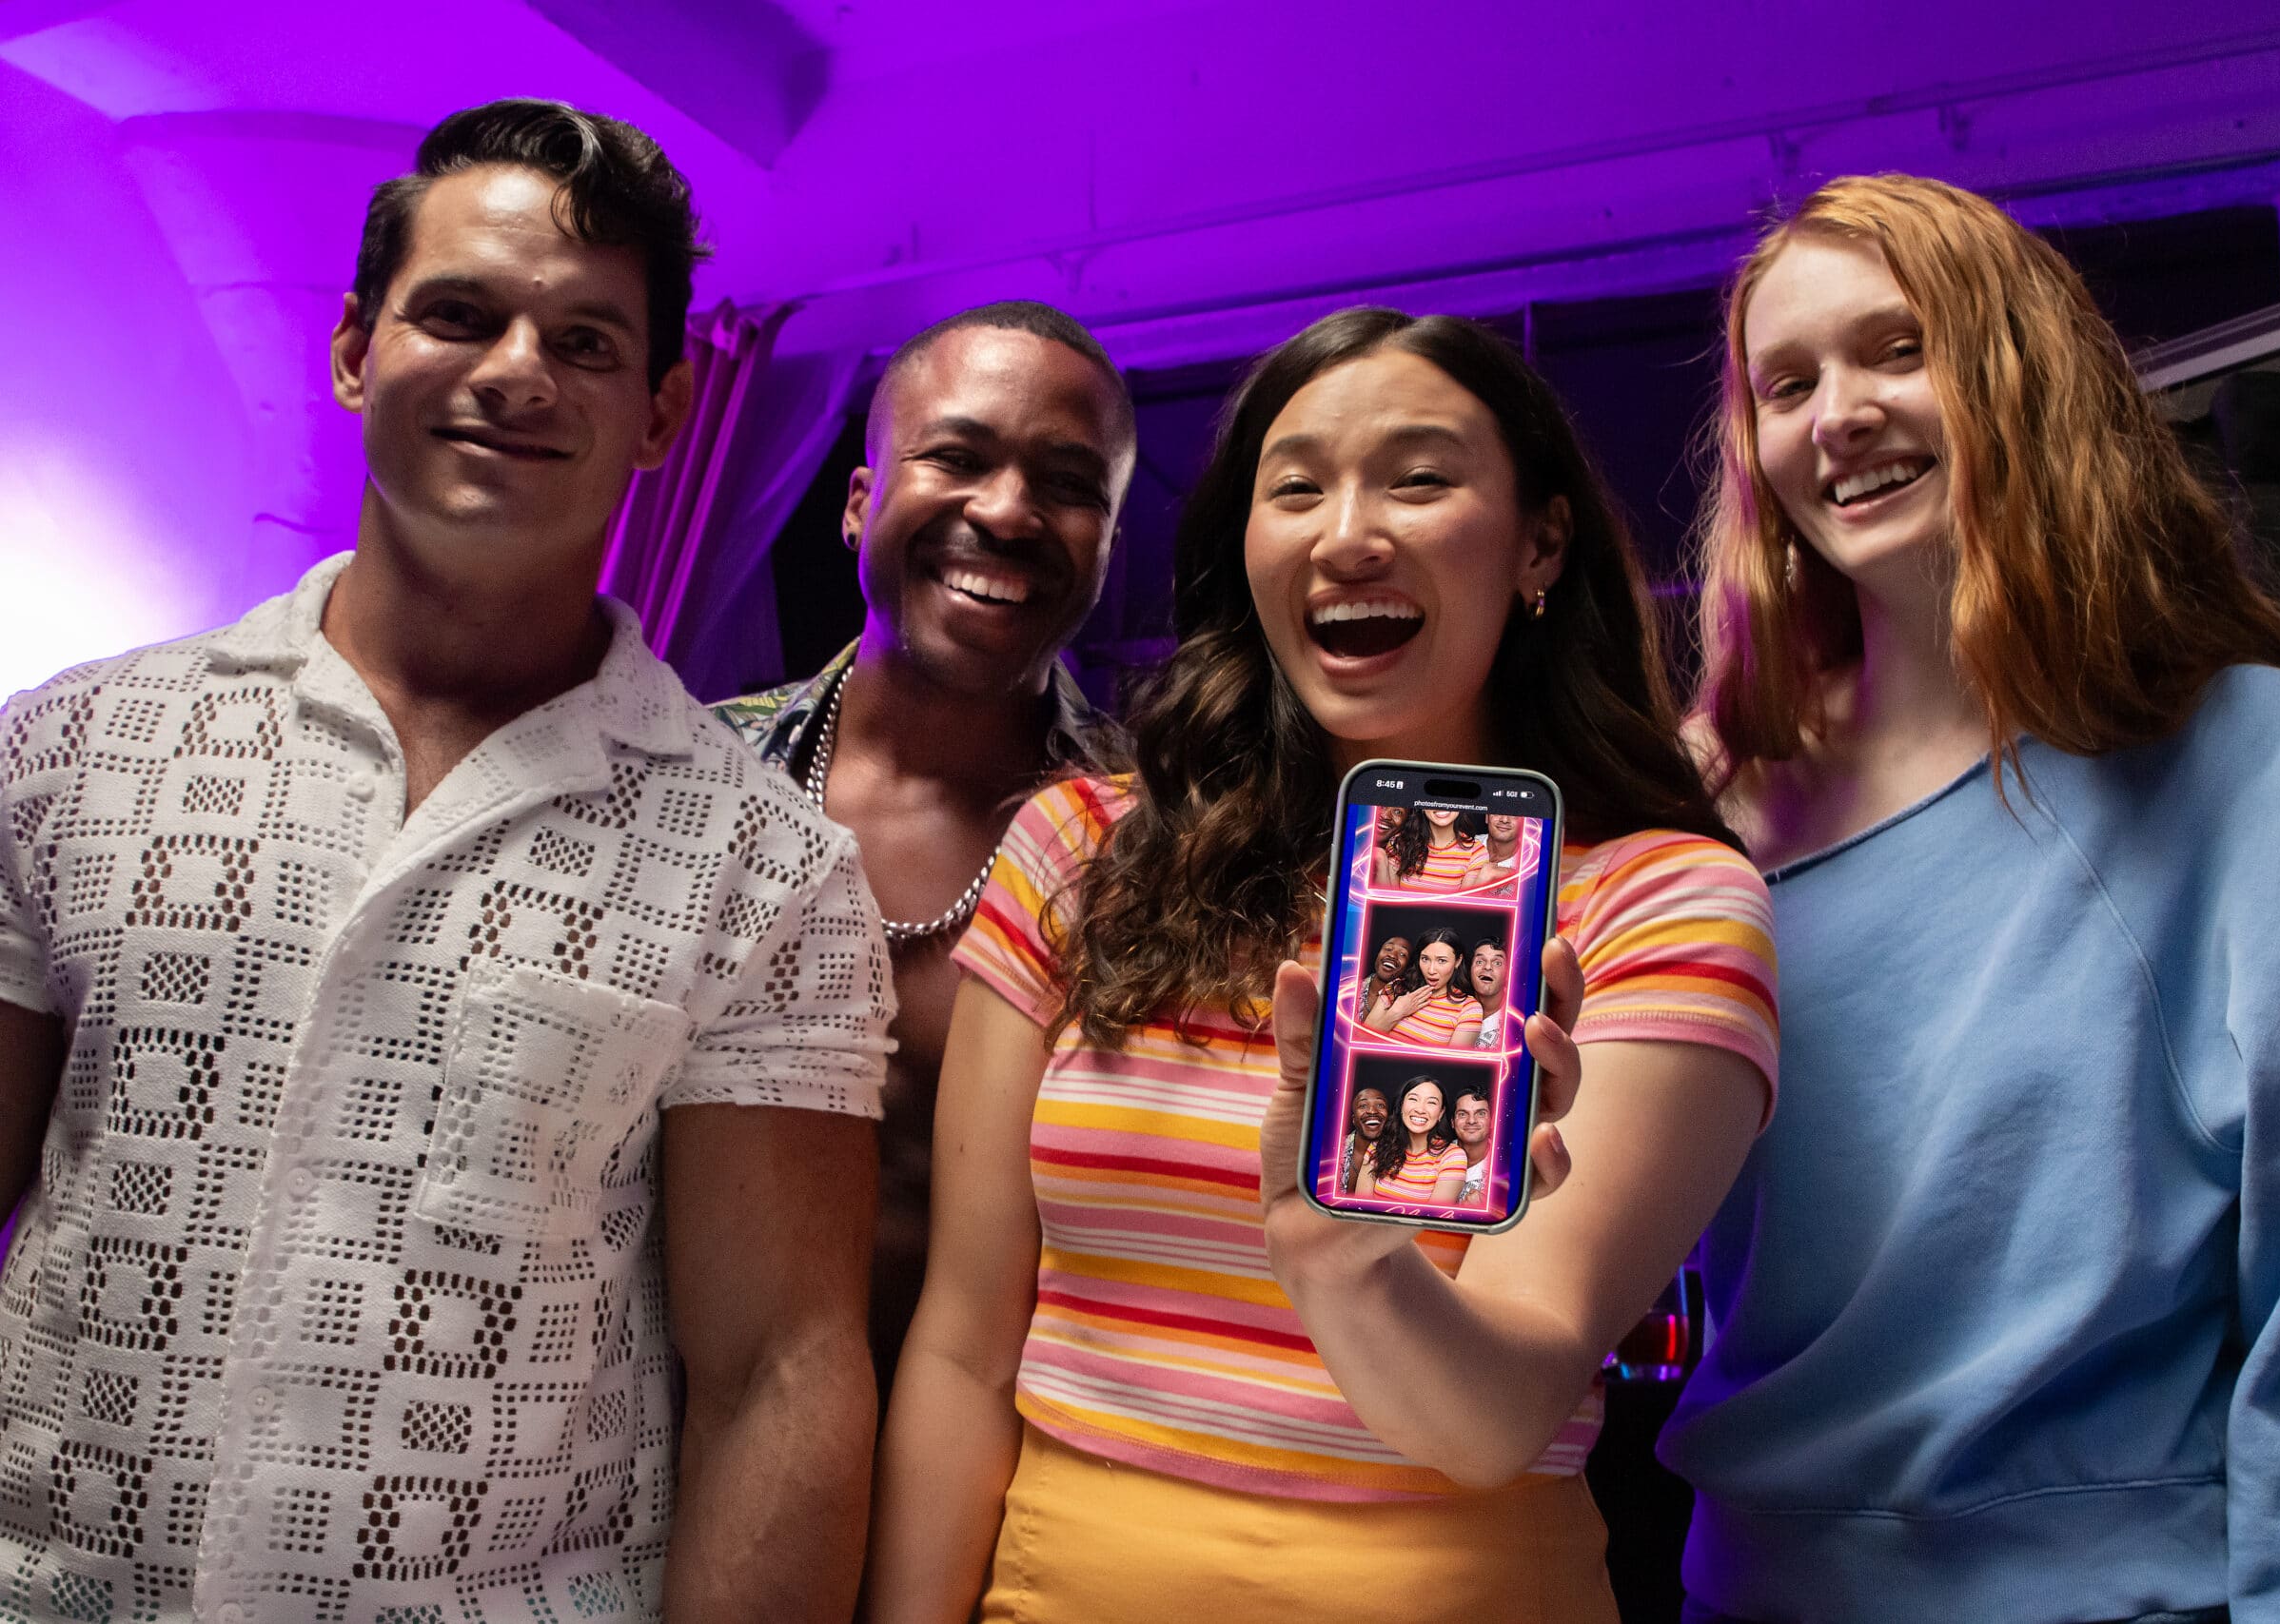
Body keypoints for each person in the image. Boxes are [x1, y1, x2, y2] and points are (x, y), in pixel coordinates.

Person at [0, 100, 895, 1621]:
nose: (515, 373)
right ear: (356, 350)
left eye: (587, 342)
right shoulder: (71, 751)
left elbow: (778, 1373)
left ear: (666, 414)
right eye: (460, 314)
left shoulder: (768, 867)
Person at [868, 307, 1779, 1622]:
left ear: (1540, 541)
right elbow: (961, 1350)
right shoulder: (1076, 845)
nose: (1350, 532)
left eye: (1419, 477)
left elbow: (1490, 1415)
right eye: (1295, 488)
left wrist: (1343, 1256)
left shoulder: (1658, 901)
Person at [1666, 172, 2280, 1624]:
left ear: (2020, 368)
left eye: (1901, 348)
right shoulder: (1711, 806)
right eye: (1788, 381)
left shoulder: (2242, 750)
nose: (1839, 412)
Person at [713, 301, 1133, 1393]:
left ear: (1106, 545)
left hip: (1001, 1486)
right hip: (672, 1463)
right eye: (956, 456)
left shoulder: (1156, 854)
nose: (1006, 510)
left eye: (1068, 483)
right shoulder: (694, 779)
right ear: (860, 504)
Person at [1364, 925, 1483, 1046]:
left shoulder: (1469, 1008)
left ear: (1458, 961)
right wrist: (1396, 1012)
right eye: (1425, 959)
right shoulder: (1397, 987)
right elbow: (1362, 1039)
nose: (1431, 970)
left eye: (1441, 961)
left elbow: (1451, 1063)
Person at [1356, 1075, 1467, 1201]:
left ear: (1440, 1113)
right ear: (1402, 1105)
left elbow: (1432, 1218)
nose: (1420, 1109)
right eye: (1413, 1099)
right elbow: (1360, 1208)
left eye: (1431, 1102)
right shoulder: (1378, 1147)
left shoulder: (1452, 1156)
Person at [1373, 803, 1490, 890]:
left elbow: (1464, 910)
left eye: (1451, 797)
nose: (1442, 804)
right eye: (1435, 796)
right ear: (1423, 806)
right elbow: (1388, 902)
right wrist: (1381, 859)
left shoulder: (1476, 852)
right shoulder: (1400, 842)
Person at [1339, 1083, 1393, 1188]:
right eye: (1363, 1106)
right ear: (1354, 1119)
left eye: (1380, 1105)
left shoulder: (1398, 1155)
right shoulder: (1332, 1150)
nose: (1372, 1111)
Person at [1450, 1080, 1495, 1203]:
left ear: (1491, 1121)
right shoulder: (1435, 1156)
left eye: (1481, 1113)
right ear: (1453, 1123)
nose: (1471, 1121)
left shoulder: (1505, 1167)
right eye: (1462, 1114)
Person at [1356, 931, 1416, 1015]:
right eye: (1388, 949)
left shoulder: (1406, 1004)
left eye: (1402, 954)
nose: (1392, 955)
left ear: (1408, 966)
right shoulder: (1349, 990)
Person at [1467, 938, 1508, 1050]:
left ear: (1508, 973)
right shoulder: (1454, 1009)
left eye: (1497, 963)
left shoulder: (1516, 1019)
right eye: (1480, 961)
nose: (1488, 967)